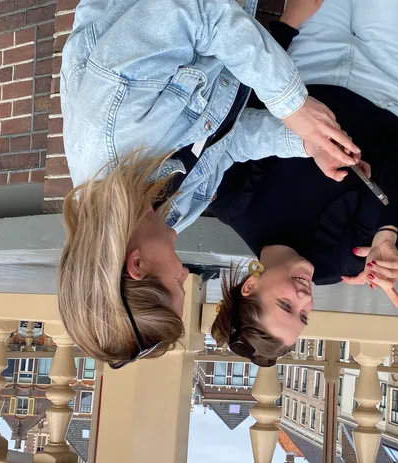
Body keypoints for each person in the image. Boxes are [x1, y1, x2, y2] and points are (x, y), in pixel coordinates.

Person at [57, 0, 362, 368]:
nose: (186, 274)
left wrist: (293, 106)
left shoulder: (113, 124)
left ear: (136, 264)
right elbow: (223, 142)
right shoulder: (168, 216)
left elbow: (195, 10)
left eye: (176, 286)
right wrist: (303, 143)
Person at [208, 0, 398, 365]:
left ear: (250, 286)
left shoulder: (233, 204)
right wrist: (390, 239)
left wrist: (285, 30)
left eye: (286, 305)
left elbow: (238, 106)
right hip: (388, 81)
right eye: (304, 315)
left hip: (305, 65)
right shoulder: (347, 265)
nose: (304, 298)